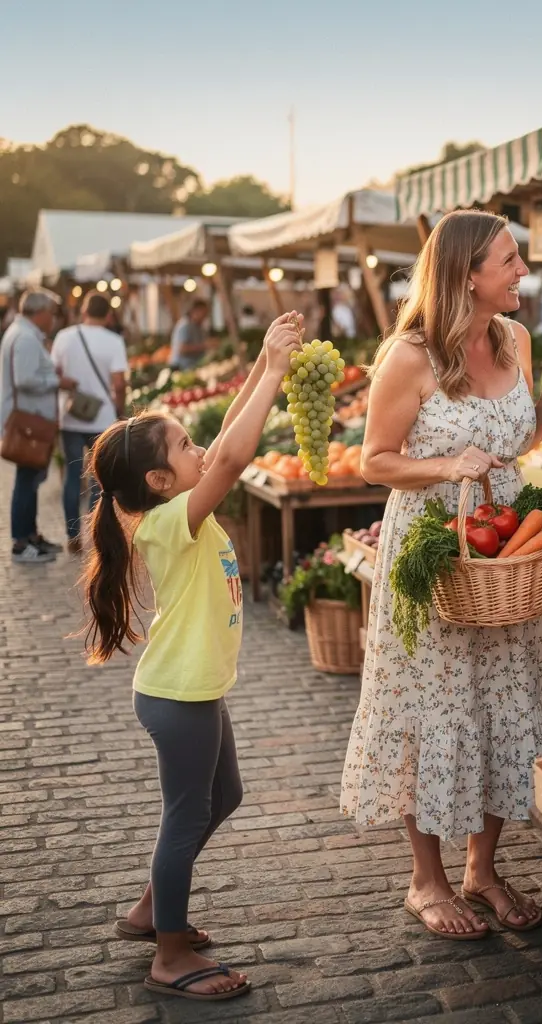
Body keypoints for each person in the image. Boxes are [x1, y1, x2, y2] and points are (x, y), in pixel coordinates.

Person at [340, 210, 542, 940]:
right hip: (433, 553)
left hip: (502, 554)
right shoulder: (411, 355)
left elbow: (519, 438)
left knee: (504, 703)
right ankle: (425, 879)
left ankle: (482, 868)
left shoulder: (516, 339)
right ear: (468, 272)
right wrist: (444, 465)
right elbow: (375, 459)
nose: (522, 270)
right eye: (510, 259)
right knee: (431, 708)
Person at [79, 312, 303, 1002]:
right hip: (179, 697)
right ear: (159, 480)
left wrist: (263, 376)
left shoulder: (170, 509)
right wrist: (269, 371)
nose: (198, 446)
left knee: (222, 796)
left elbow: (221, 445)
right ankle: (169, 955)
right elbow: (232, 459)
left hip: (192, 689)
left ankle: (153, 907)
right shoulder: (177, 520)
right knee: (184, 815)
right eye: (183, 445)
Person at [0, 288, 76, 564]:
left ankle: (31, 535)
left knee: (30, 480)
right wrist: (58, 382)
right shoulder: (25, 338)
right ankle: (22, 542)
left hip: (30, 420)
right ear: (40, 312)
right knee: (26, 481)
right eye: (51, 313)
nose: (53, 319)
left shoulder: (22, 334)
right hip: (28, 423)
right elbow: (24, 379)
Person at [52, 290, 128, 553]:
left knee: (72, 477)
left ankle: (73, 537)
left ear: (83, 312)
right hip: (102, 418)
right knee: (99, 479)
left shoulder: (64, 337)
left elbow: (55, 374)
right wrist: (120, 409)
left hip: (70, 416)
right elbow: (119, 383)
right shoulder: (114, 341)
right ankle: (96, 533)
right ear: (108, 315)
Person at [169, 299, 209, 370]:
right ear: (195, 311)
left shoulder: (198, 327)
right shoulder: (185, 326)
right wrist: (204, 346)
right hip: (181, 368)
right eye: (204, 313)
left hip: (193, 366)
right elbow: (182, 349)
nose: (205, 317)